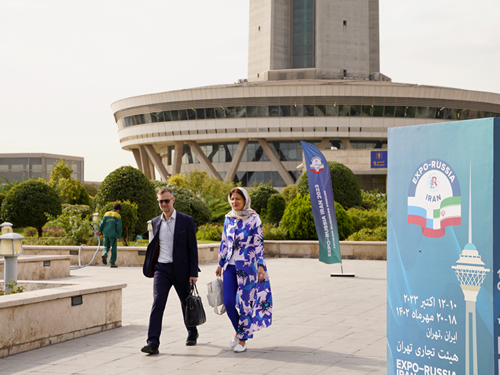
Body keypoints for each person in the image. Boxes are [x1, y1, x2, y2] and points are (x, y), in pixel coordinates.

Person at [141, 187, 200, 355]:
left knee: (186, 303)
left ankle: (192, 331)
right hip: (162, 269)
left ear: (173, 200)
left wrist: (193, 272)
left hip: (181, 268)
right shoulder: (154, 222)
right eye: (160, 201)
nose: (164, 204)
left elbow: (192, 248)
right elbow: (153, 246)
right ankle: (152, 342)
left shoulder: (186, 220)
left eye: (166, 200)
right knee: (157, 303)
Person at [215, 187, 273, 353]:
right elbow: (224, 242)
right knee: (229, 302)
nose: (234, 202)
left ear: (245, 200)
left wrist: (260, 265)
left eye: (237, 199)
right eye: (232, 199)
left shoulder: (254, 219)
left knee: (246, 305)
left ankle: (242, 340)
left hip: (248, 267)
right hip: (229, 267)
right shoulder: (229, 218)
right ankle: (240, 332)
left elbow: (258, 243)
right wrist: (220, 262)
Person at [96, 203, 122, 268]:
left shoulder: (106, 213)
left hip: (105, 233)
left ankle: (104, 254)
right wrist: (119, 236)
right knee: (113, 248)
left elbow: (102, 223)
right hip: (112, 234)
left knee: (106, 246)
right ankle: (112, 263)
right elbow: (119, 227)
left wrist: (99, 230)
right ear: (118, 209)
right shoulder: (118, 215)